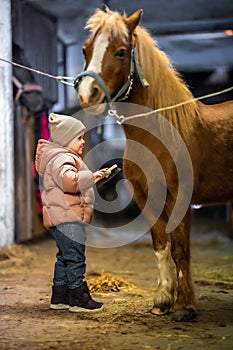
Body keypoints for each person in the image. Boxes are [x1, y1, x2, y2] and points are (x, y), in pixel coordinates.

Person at [35, 113, 108, 313]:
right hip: (68, 218)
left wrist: (94, 177)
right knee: (75, 257)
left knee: (65, 257)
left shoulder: (61, 157)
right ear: (67, 139)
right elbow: (69, 181)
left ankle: (60, 296)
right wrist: (90, 177)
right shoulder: (63, 158)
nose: (83, 142)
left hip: (62, 217)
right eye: (79, 138)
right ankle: (78, 297)